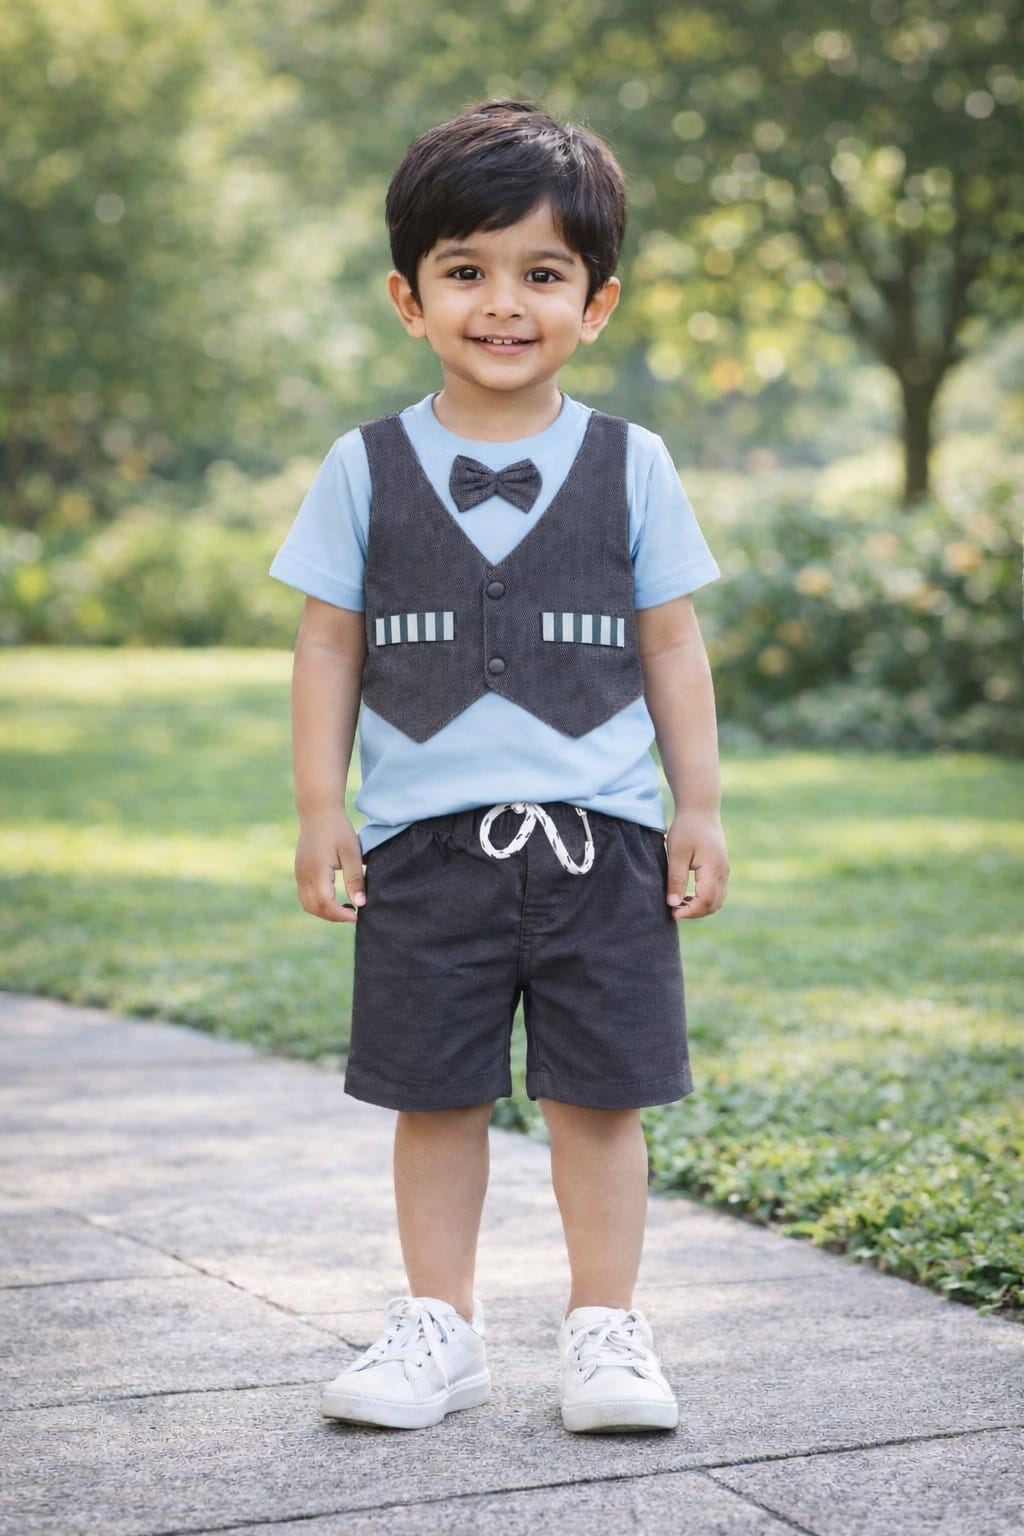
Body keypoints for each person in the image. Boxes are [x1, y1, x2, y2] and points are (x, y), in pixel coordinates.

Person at [268, 97, 730, 1435]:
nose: (505, 304)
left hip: (605, 844)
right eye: (467, 271)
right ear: (409, 301)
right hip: (422, 849)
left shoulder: (633, 463)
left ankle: (607, 1329)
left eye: (543, 273)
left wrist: (698, 805)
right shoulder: (363, 467)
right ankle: (442, 1327)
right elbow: (328, 643)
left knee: (603, 1099)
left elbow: (672, 642)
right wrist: (320, 808)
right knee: (434, 1098)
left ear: (598, 301)